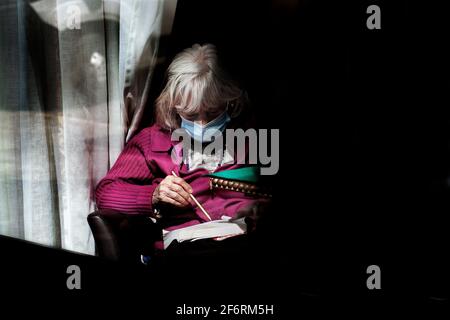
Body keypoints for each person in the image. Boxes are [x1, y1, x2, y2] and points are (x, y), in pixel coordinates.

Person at [95, 44, 270, 260]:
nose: (202, 124)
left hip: (243, 249)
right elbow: (105, 193)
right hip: (183, 256)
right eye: (192, 114)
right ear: (174, 105)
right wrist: (153, 196)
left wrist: (254, 217)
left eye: (213, 112)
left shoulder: (250, 138)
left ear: (230, 103)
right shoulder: (153, 141)